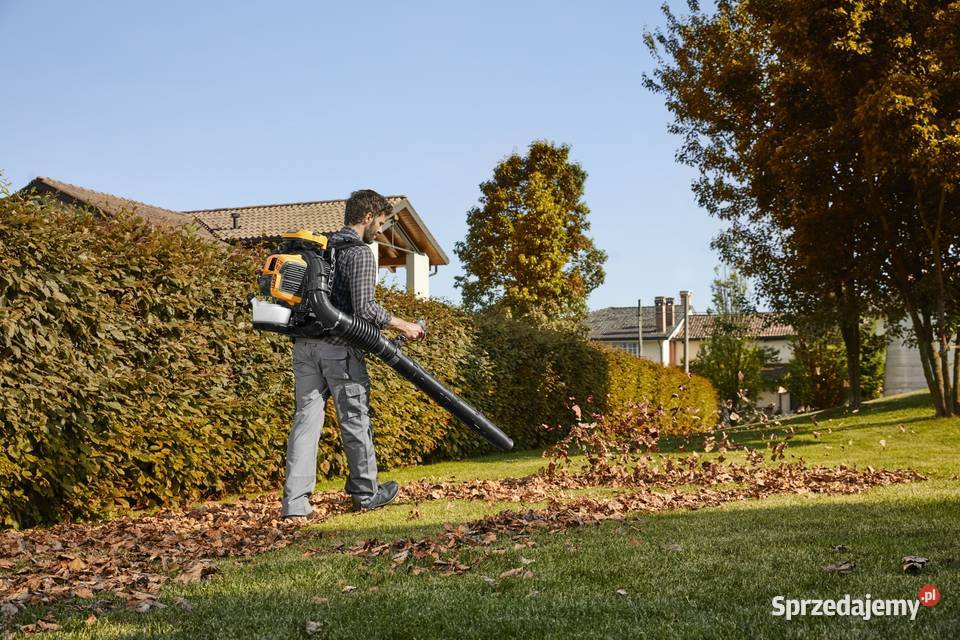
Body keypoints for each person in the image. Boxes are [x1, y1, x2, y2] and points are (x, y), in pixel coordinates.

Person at [281, 189, 424, 517]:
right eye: (381, 222)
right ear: (367, 217)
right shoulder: (359, 253)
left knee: (305, 423)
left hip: (304, 347)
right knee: (355, 421)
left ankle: (295, 505)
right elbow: (365, 310)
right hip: (339, 350)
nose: (381, 230)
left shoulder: (321, 248)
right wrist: (404, 325)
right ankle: (366, 493)